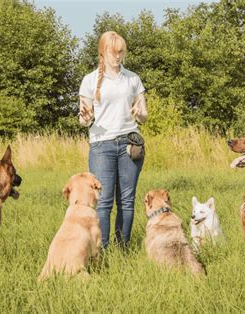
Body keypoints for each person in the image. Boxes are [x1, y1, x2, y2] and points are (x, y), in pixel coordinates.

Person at [78, 31, 148, 249]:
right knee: (103, 202)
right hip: (101, 145)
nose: (117, 56)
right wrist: (86, 117)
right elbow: (83, 118)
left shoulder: (133, 79)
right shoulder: (89, 80)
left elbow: (144, 116)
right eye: (113, 52)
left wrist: (139, 113)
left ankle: (123, 249)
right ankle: (103, 250)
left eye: (121, 52)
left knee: (126, 201)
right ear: (102, 52)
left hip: (129, 144)